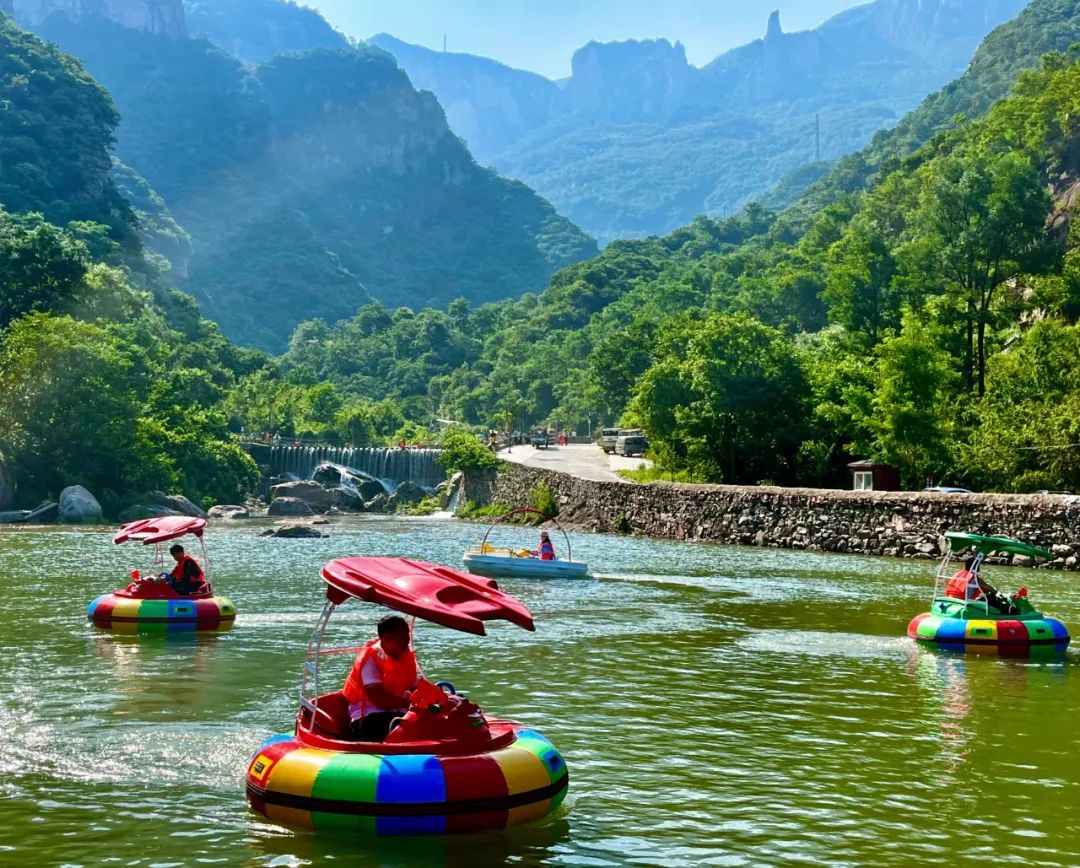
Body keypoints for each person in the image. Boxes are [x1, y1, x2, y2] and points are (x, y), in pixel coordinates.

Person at [342, 615, 419, 742]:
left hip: (399, 711)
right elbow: (378, 698)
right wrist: (411, 703)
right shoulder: (371, 658)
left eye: (407, 634)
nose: (407, 640)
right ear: (386, 638)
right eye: (402, 636)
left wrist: (435, 698)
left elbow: (414, 686)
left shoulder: (406, 656)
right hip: (369, 716)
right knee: (400, 726)